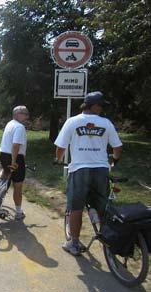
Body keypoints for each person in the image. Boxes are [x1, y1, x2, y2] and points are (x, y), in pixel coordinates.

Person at [54, 91, 123, 256]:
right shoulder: (106, 123)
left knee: (76, 207)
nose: (102, 109)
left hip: (79, 169)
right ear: (94, 106)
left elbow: (60, 148)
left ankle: (74, 243)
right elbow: (118, 149)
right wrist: (113, 162)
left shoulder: (72, 121)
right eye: (101, 105)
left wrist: (58, 160)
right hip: (100, 169)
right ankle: (109, 241)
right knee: (102, 207)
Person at [0, 105, 29, 221]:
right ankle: (19, 212)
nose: (27, 116)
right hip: (15, 157)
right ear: (17, 114)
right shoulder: (20, 127)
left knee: (6, 175)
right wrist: (14, 161)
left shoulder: (9, 124)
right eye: (25, 113)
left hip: (3, 154)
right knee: (18, 185)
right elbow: (16, 146)